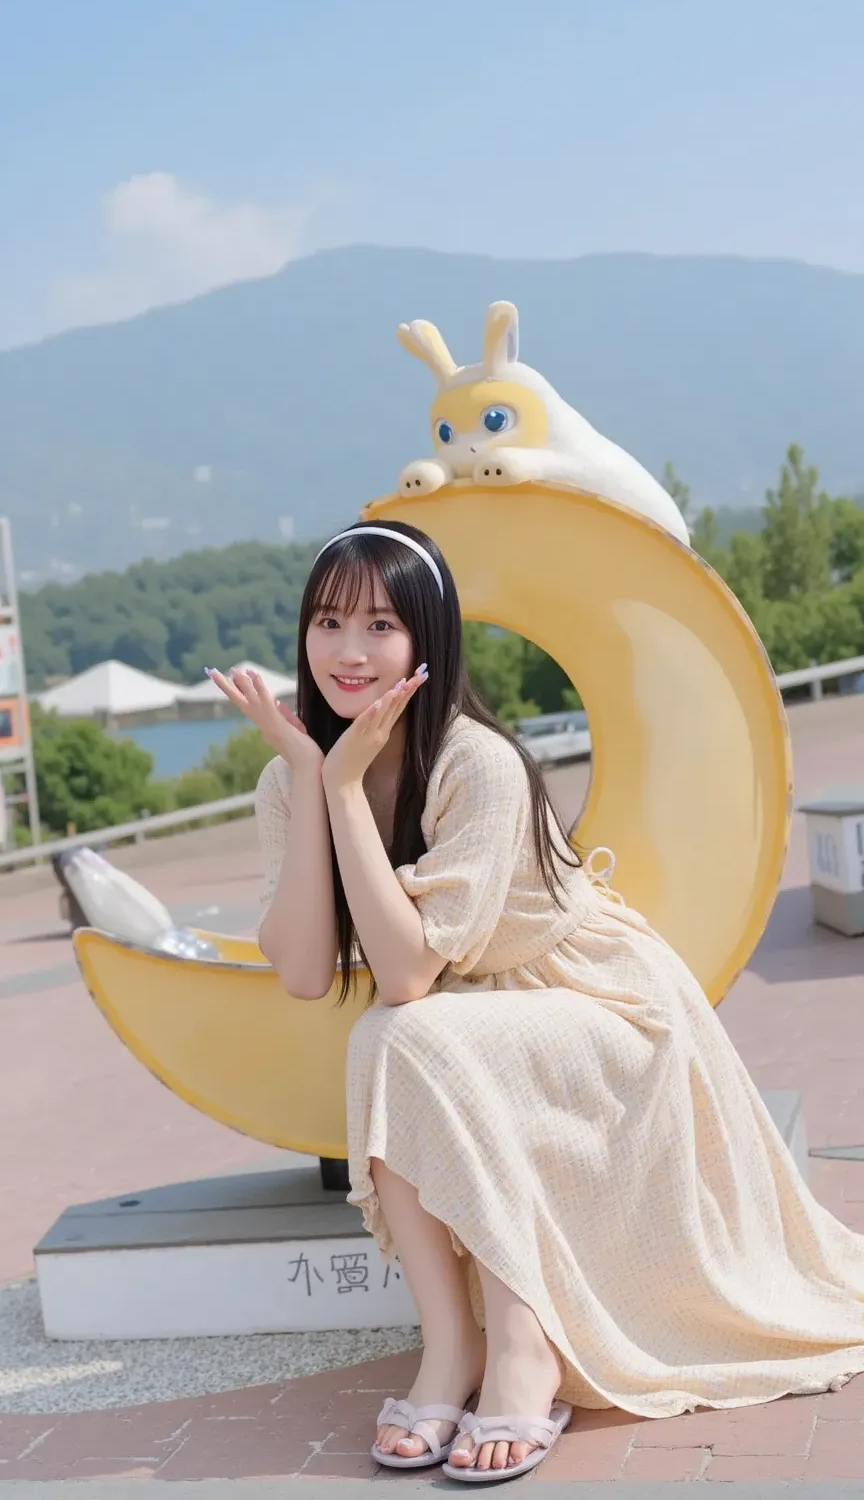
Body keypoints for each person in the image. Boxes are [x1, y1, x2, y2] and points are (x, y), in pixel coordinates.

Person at [209, 518, 864, 1484]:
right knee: (392, 1044)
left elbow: (406, 976)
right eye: (328, 622)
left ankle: (521, 1351)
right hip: (462, 1022)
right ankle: (454, 1350)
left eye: (382, 625)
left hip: (594, 1005)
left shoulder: (478, 761)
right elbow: (306, 971)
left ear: (429, 638)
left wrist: (345, 788)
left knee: (404, 1033)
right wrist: (314, 778)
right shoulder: (290, 776)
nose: (350, 652)